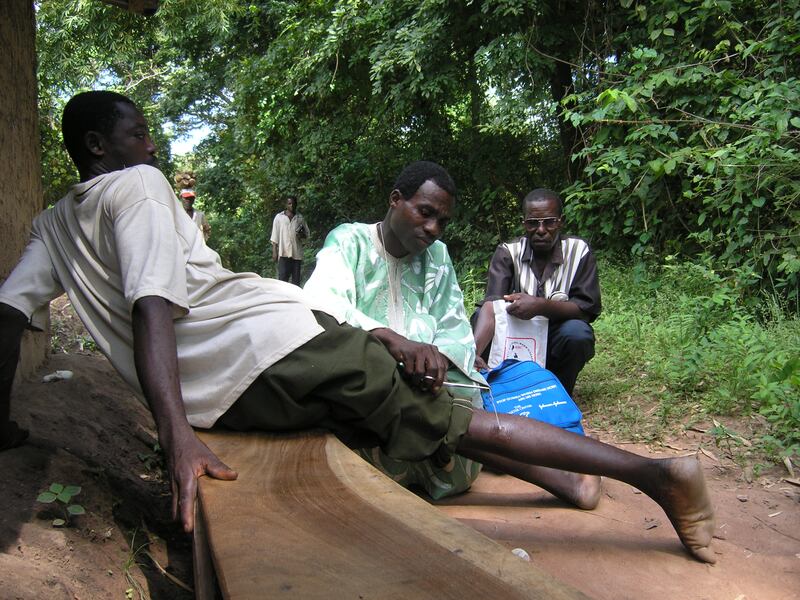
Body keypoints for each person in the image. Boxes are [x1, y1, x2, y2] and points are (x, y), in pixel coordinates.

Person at [0, 91, 715, 564]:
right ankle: (654, 475)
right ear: (99, 145)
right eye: (139, 133)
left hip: (252, 372)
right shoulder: (140, 186)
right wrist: (176, 433)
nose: (153, 148)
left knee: (438, 420)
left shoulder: (52, 226)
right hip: (273, 344)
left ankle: (634, 476)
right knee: (450, 425)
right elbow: (152, 303)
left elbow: (8, 311)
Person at [304, 161, 601, 509]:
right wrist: (393, 341)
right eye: (425, 213)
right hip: (366, 383)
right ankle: (567, 478)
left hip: (426, 388)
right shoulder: (349, 241)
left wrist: (437, 362)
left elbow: (454, 328)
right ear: (395, 200)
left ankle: (569, 476)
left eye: (442, 221)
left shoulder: (438, 256)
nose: (433, 229)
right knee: (422, 414)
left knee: (450, 408)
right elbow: (322, 303)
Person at [475, 188, 600, 396]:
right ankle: (497, 383)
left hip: (555, 343)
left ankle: (558, 391)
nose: (541, 230)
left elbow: (586, 308)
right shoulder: (508, 252)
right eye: (533, 223)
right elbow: (492, 305)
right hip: (514, 345)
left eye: (549, 222)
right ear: (524, 223)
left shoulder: (578, 252)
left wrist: (540, 306)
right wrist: (473, 352)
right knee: (480, 316)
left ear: (561, 221)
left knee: (578, 333)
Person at [270, 195, 309, 285]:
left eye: (293, 203)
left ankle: (294, 298)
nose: (292, 206)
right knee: (283, 280)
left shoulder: (300, 218)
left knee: (296, 282)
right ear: (286, 205)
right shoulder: (279, 217)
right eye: (289, 203)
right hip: (284, 254)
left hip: (296, 254)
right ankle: (283, 298)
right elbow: (275, 235)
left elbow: (306, 234)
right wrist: (274, 252)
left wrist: (302, 234)